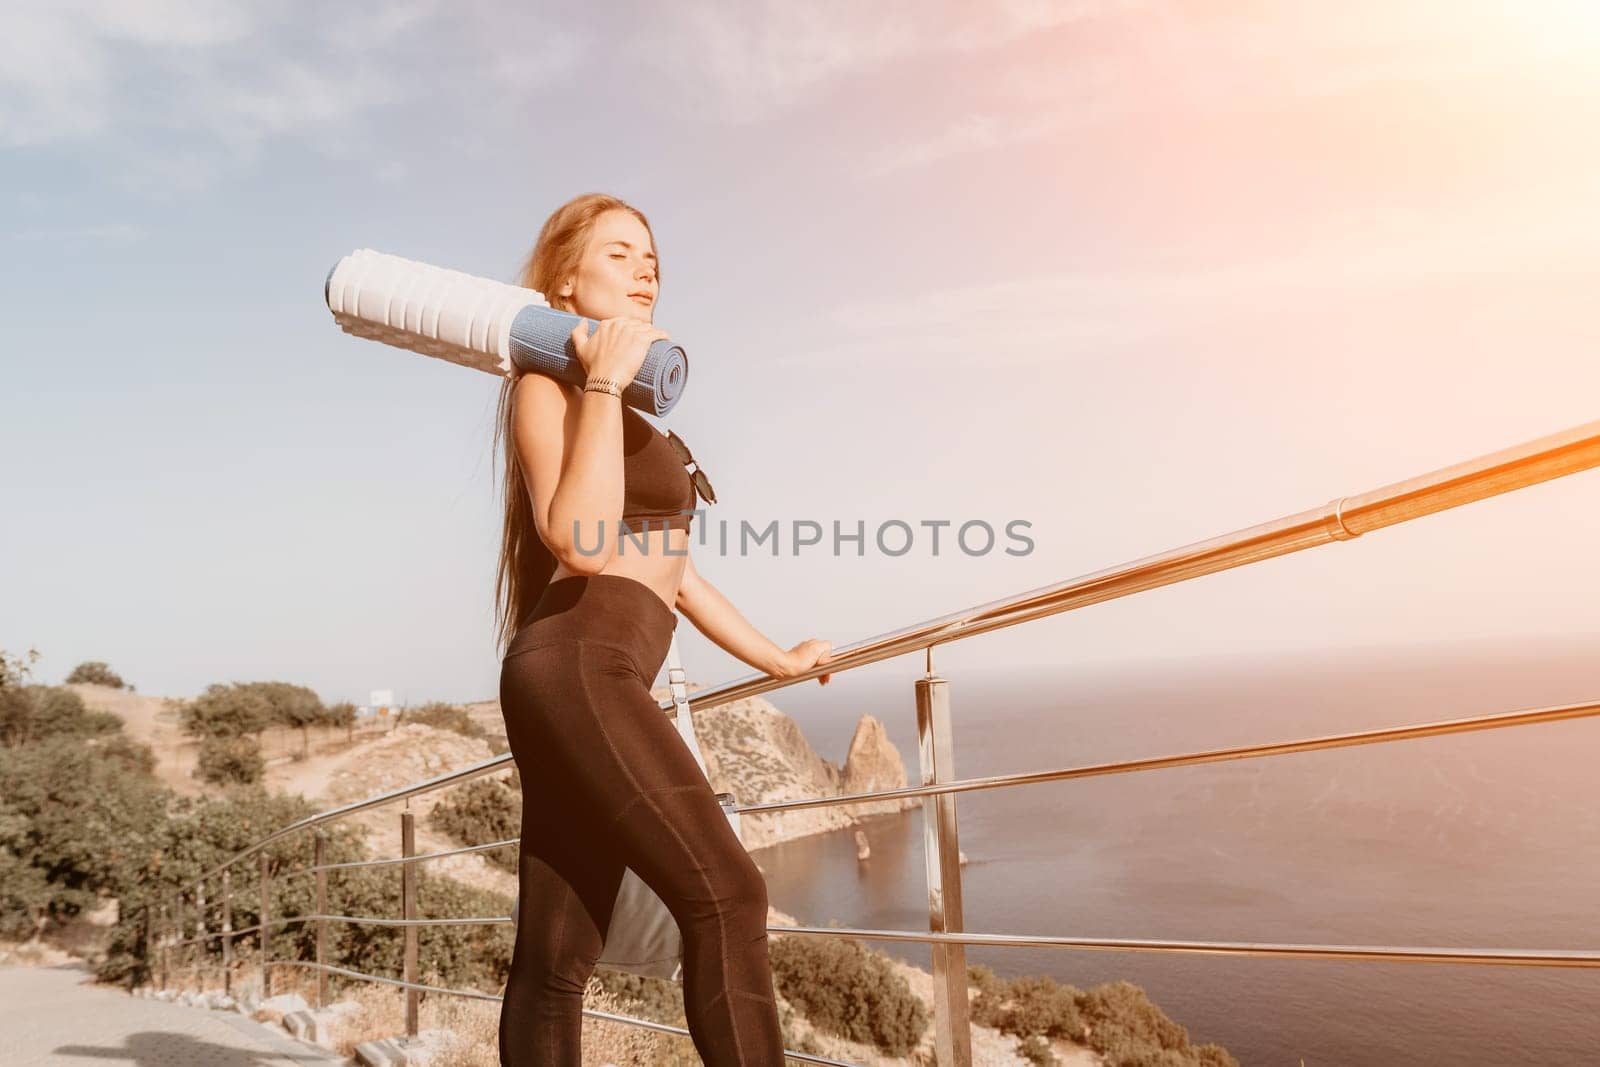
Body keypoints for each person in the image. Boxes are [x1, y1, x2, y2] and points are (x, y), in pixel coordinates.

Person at [491, 192, 834, 1066]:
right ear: (565, 280)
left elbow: (676, 575)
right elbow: (578, 539)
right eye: (619, 254)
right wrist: (601, 380)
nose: (646, 270)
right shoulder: (549, 387)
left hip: (590, 672)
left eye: (651, 258)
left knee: (558, 957)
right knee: (729, 894)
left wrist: (779, 659)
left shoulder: (630, 415)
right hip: (577, 662)